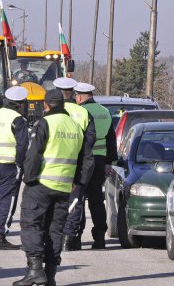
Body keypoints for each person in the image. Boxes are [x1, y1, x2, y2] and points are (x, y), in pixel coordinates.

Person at [13, 90, 87, 286]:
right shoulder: (75, 126)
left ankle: (35, 270)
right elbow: (83, 158)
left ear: (46, 105)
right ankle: (51, 275)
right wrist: (77, 182)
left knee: (31, 224)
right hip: (64, 187)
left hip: (41, 184)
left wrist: (28, 179)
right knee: (55, 230)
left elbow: (34, 153)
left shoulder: (46, 123)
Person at [72, 82, 118, 249]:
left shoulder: (80, 111)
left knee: (77, 198)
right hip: (99, 160)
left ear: (79, 96)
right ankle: (100, 237)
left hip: (83, 160)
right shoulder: (105, 112)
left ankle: (76, 237)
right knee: (96, 199)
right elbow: (111, 139)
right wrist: (109, 162)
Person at [53, 78, 96, 251]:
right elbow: (90, 139)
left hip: (54, 163)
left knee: (54, 201)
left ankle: (55, 236)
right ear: (73, 93)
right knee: (75, 202)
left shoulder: (52, 113)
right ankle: (68, 239)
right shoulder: (83, 113)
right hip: (77, 162)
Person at [0, 86, 29, 250]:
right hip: (9, 164)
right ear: (20, 103)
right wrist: (21, 164)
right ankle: (0, 236)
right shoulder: (18, 119)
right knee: (7, 200)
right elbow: (23, 145)